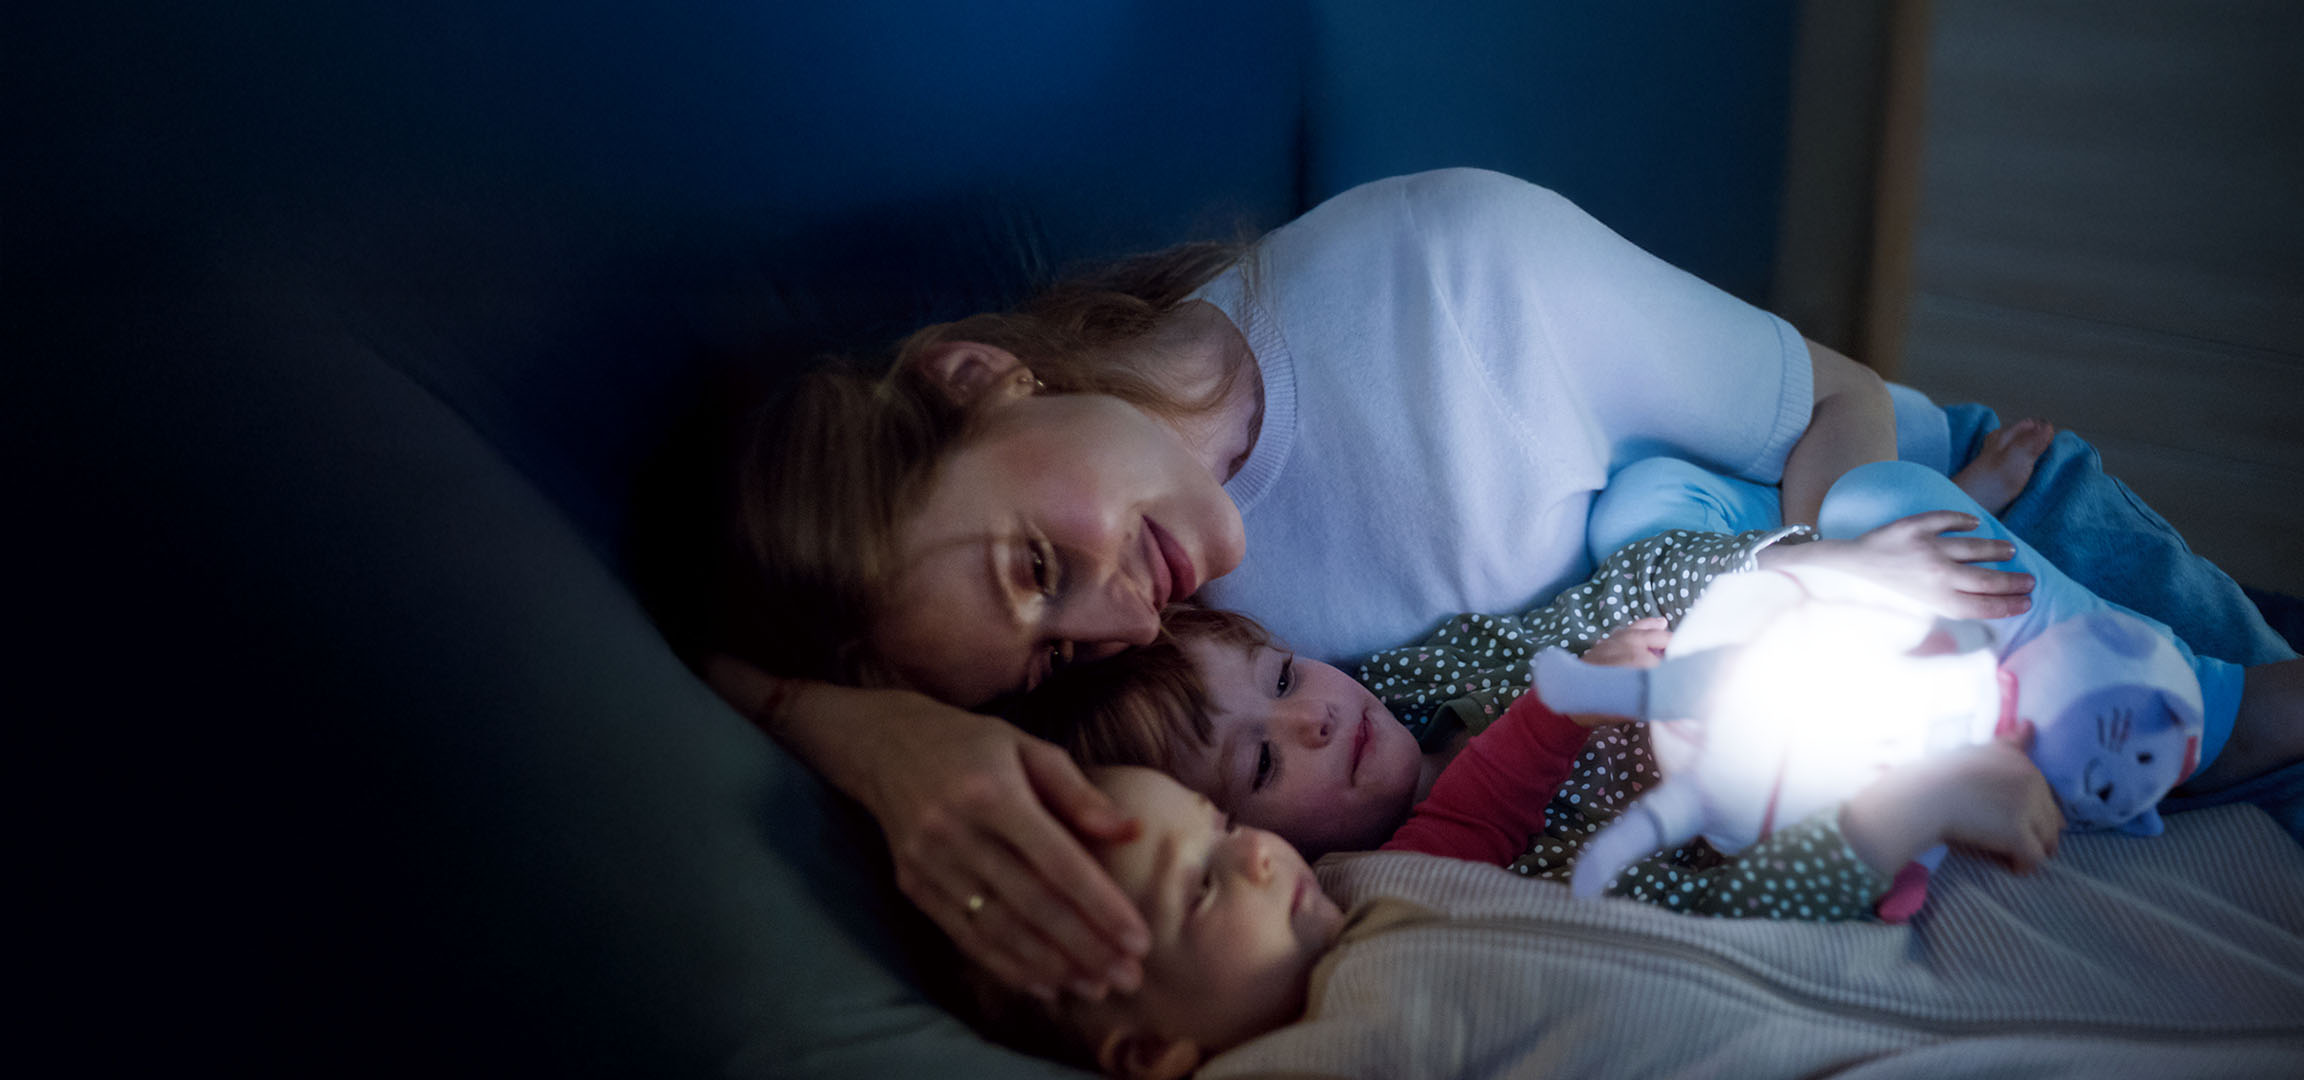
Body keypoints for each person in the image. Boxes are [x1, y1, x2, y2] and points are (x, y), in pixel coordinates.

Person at [695, 167, 2294, 1000]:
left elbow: (1838, 396)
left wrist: (1834, 567)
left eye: (1038, 563)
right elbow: (696, 653)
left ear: (978, 375)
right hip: (1794, 740)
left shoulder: (1450, 280)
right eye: (1047, 657)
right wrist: (878, 738)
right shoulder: (1172, 692)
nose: (1118, 618)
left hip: (1921, 521)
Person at [1009, 539, 2063, 923]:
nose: (1315, 715)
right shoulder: (1421, 897)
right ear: (1246, 844)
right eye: (1264, 759)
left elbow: (1633, 581)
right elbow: (1704, 912)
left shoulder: (1425, 678)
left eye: (1283, 674)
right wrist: (1898, 817)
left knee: (1929, 540)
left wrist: (1814, 565)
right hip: (1818, 811)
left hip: (1825, 651)